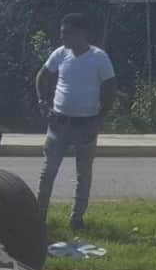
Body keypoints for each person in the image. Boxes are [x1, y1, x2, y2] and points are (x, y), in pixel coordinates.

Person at [35, 13, 116, 231]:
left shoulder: (99, 57)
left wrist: (99, 119)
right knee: (48, 170)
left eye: (66, 33)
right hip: (58, 123)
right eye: (62, 33)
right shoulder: (60, 54)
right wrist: (43, 101)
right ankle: (39, 215)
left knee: (83, 173)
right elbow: (42, 76)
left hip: (86, 125)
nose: (62, 38)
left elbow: (110, 89)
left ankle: (76, 219)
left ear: (81, 34)